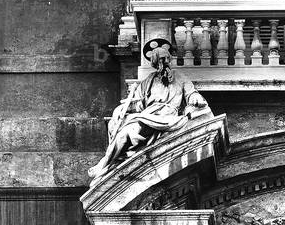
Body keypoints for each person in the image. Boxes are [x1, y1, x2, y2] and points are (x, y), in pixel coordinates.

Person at [88, 37, 213, 180]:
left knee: (129, 132)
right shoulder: (148, 80)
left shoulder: (180, 77)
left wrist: (195, 98)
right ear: (155, 63)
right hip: (148, 115)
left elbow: (191, 94)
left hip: (168, 116)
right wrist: (120, 110)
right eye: (160, 61)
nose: (164, 64)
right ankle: (105, 166)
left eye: (166, 60)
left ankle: (106, 164)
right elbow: (138, 104)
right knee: (125, 133)